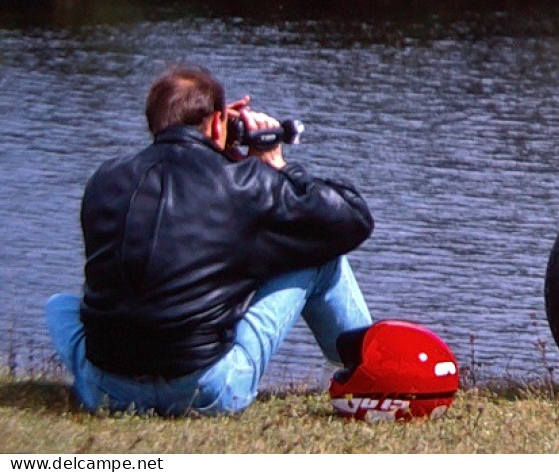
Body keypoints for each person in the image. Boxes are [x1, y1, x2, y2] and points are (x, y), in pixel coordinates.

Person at [45, 65, 375, 415]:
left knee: (58, 305)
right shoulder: (242, 183)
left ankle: (114, 383)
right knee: (320, 252)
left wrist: (217, 148)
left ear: (153, 122)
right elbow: (352, 218)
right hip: (207, 389)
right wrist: (276, 165)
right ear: (219, 123)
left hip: (107, 392)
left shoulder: (104, 179)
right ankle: (369, 364)